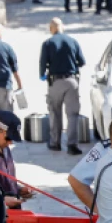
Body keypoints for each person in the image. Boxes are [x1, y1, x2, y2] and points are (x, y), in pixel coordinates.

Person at [40, 18, 86, 155]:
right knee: (73, 114)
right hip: (72, 81)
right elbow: (82, 62)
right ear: (63, 27)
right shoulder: (73, 41)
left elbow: (43, 64)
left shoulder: (48, 43)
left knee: (55, 112)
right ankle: (72, 144)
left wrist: (42, 74)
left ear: (51, 29)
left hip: (55, 82)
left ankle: (55, 143)